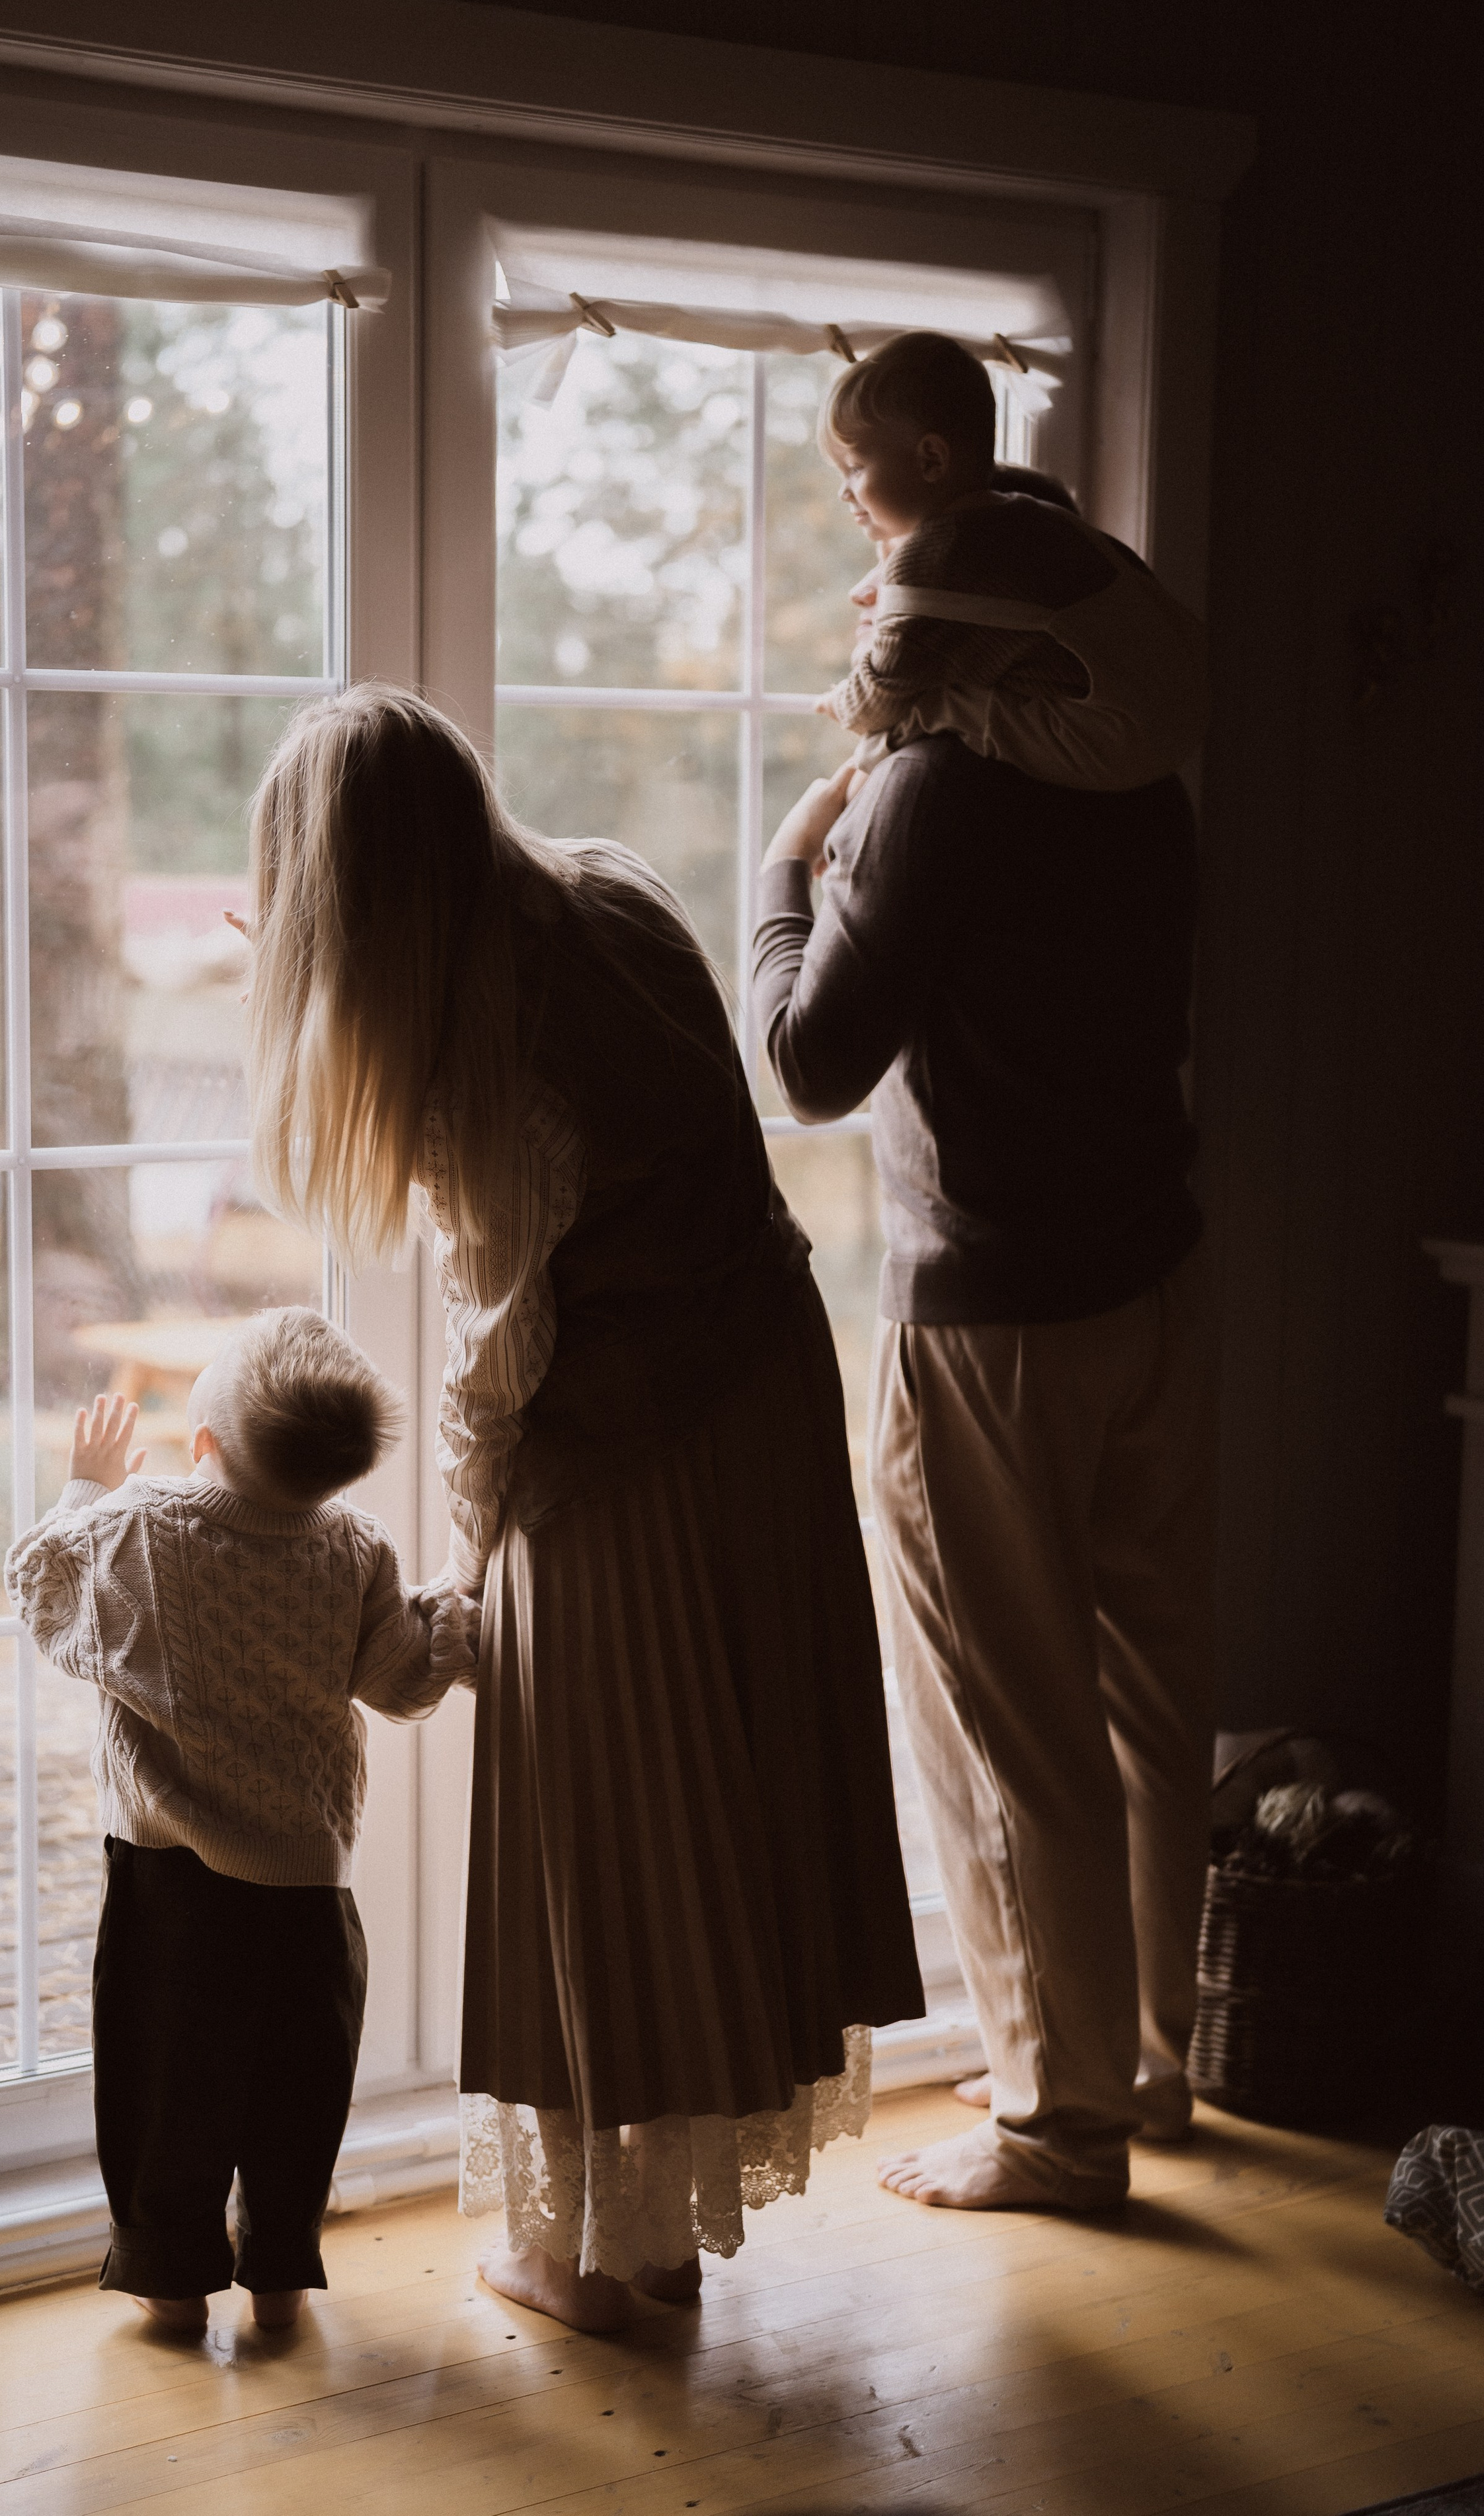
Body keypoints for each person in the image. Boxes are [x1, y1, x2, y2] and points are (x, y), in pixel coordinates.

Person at [239, 684, 924, 2331]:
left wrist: (474, 1553)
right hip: (762, 1393)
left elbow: (497, 1352)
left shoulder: (483, 1042)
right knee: (714, 1820)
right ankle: (647, 2242)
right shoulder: (603, 887)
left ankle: (602, 2262)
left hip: (626, 1450)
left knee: (596, 1844)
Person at [754, 572, 1216, 2210]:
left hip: (993, 1316)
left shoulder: (932, 792)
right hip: (1152, 1280)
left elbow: (807, 1066)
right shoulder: (1140, 781)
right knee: (1148, 1703)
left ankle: (1055, 2122)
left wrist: (780, 879)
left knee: (1001, 1722)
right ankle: (1153, 2065)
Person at [5, 1307, 479, 2332]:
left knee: (165, 2090)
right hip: (310, 1888)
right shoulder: (354, 1546)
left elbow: (41, 1590)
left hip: (171, 1883)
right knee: (297, 2092)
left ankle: (172, 2284)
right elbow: (399, 1682)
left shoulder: (138, 1528)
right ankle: (277, 2280)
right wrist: (460, 1601)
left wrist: (88, 1479)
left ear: (202, 1442)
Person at [819, 331, 1206, 792]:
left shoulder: (933, 560)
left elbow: (876, 702)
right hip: (1187, 710)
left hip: (1115, 738)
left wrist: (839, 702)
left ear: (931, 459)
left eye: (856, 468)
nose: (844, 491)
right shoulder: (1033, 518)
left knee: (936, 705)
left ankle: (853, 784)